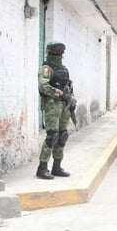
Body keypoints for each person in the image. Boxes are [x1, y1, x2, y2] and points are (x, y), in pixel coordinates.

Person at [36, 41, 75, 180]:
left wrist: (72, 99)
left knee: (63, 135)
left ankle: (57, 166)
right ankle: (42, 167)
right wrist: (59, 93)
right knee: (52, 136)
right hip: (52, 105)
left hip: (64, 106)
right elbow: (43, 86)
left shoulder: (64, 69)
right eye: (56, 51)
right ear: (50, 52)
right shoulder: (46, 69)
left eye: (60, 52)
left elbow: (69, 87)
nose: (59, 54)